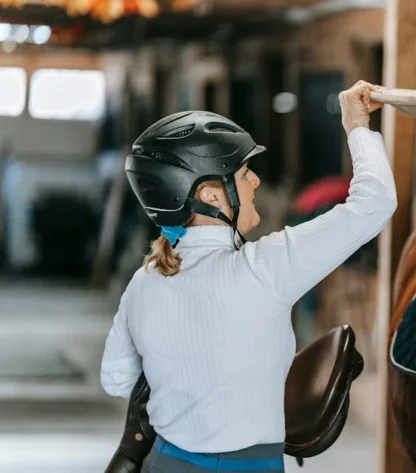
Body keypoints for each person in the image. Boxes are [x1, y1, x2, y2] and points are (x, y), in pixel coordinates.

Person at [99, 80, 396, 473]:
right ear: (209, 195)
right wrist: (356, 124)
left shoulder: (144, 281)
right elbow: (376, 202)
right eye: (243, 173)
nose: (255, 181)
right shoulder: (265, 269)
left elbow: (117, 379)